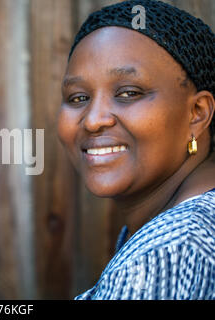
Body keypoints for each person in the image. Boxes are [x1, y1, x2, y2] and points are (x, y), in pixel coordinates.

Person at [58, 0, 214, 299]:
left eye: (129, 93)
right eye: (78, 98)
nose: (93, 121)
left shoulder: (166, 254)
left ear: (197, 112)